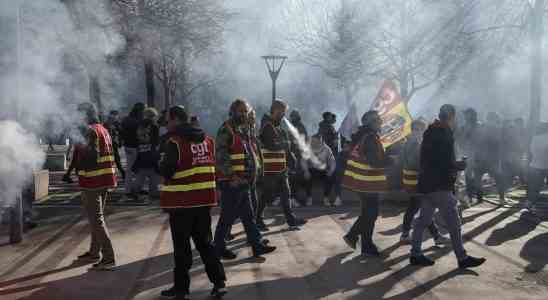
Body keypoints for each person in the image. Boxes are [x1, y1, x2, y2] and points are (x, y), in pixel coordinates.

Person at [158, 105, 227, 299]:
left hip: (181, 204)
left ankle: (181, 289)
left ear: (176, 119)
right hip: (203, 202)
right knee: (206, 244)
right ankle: (219, 283)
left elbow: (167, 170)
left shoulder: (175, 143)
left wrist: (159, 161)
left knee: (182, 249)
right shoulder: (207, 140)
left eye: (169, 120)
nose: (167, 123)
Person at [409, 104, 486, 269]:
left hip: (427, 184)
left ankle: (415, 254)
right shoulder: (443, 133)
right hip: (440, 185)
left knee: (422, 220)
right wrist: (459, 165)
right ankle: (462, 258)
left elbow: (429, 159)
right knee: (453, 222)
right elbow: (443, 162)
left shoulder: (430, 131)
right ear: (451, 116)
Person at [213, 98, 277, 260]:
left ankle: (256, 245)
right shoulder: (226, 129)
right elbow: (221, 156)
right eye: (240, 111)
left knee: (248, 216)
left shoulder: (243, 130)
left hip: (244, 182)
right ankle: (218, 247)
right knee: (227, 216)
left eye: (245, 111)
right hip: (232, 182)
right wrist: (232, 176)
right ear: (233, 111)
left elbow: (250, 153)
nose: (243, 114)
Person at [341, 110, 392, 257]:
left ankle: (364, 244)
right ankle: (356, 238)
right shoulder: (370, 138)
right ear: (372, 123)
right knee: (371, 214)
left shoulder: (364, 135)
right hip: (368, 183)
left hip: (362, 182)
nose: (381, 122)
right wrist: (391, 159)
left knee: (368, 213)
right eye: (378, 120)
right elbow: (374, 162)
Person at [74, 102, 117, 270]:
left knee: (96, 220)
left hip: (93, 180)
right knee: (96, 219)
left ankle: (109, 258)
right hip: (104, 179)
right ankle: (94, 252)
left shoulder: (89, 131)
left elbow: (90, 157)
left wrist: (79, 161)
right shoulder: (102, 129)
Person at [257, 99, 307, 231]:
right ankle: (257, 219)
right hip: (270, 168)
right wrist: (285, 144)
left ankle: (291, 220)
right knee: (267, 195)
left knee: (286, 194)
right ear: (276, 111)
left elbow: (283, 144)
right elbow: (270, 145)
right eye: (282, 112)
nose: (284, 115)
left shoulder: (276, 125)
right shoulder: (267, 125)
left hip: (280, 167)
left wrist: (290, 156)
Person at [399, 119, 449, 245]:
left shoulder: (410, 142)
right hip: (416, 181)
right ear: (412, 130)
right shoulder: (415, 143)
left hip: (411, 180)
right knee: (424, 207)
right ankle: (434, 236)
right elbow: (413, 163)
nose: (419, 132)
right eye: (416, 129)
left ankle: (433, 236)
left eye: (421, 129)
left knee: (417, 207)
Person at [474, 112, 506, 204]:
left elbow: (477, 143)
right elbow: (499, 145)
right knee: (499, 179)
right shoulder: (497, 130)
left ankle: (479, 199)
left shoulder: (481, 128)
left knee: (478, 179)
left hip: (484, 158)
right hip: (492, 159)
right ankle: (501, 199)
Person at [131, 107, 161, 202]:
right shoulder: (154, 126)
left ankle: (135, 191)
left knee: (141, 174)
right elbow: (156, 142)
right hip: (151, 153)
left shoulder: (139, 125)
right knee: (153, 174)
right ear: (152, 116)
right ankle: (153, 193)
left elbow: (136, 139)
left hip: (141, 152)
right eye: (155, 116)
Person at [300, 135, 338, 206]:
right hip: (311, 169)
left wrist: (331, 171)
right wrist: (306, 170)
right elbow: (303, 161)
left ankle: (326, 197)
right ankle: (309, 197)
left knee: (331, 177)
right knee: (305, 177)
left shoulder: (327, 149)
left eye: (319, 141)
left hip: (323, 170)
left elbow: (332, 161)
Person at [120, 102, 146, 201]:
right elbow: (139, 135)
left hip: (128, 146)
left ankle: (130, 189)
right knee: (134, 170)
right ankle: (131, 190)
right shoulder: (138, 121)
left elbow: (121, 132)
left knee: (130, 169)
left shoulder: (126, 119)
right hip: (135, 147)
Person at [526, 122, 548, 211]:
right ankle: (532, 204)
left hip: (534, 165)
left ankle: (531, 203)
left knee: (534, 186)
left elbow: (531, 151)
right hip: (545, 166)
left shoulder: (534, 138)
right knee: (538, 186)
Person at [289, 110, 308, 207]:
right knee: (293, 178)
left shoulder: (300, 126)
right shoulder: (291, 126)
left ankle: (295, 198)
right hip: (292, 155)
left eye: (293, 116)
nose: (292, 117)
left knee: (297, 178)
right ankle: (292, 198)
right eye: (291, 116)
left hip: (298, 156)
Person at [104, 110, 125, 179]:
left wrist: (120, 141)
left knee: (117, 159)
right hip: (108, 144)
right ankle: (110, 175)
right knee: (110, 160)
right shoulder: (106, 123)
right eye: (116, 115)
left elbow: (121, 132)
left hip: (114, 144)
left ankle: (122, 173)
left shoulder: (116, 123)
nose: (117, 117)